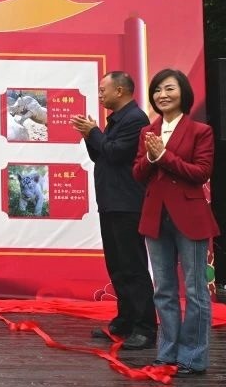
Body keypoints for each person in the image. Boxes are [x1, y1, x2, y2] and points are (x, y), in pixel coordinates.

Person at [133, 68, 218, 376]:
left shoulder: (200, 131)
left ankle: (193, 358)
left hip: (190, 217)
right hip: (155, 216)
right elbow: (137, 173)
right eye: (157, 90)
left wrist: (163, 156)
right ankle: (167, 353)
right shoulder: (148, 131)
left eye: (169, 88)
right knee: (164, 289)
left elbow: (201, 173)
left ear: (183, 92)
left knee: (195, 290)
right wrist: (150, 157)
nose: (162, 95)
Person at [71, 71, 156, 350]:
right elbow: (100, 154)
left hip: (127, 203)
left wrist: (93, 132)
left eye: (102, 89)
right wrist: (89, 135)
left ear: (120, 91)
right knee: (117, 267)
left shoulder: (135, 119)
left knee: (132, 267)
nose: (99, 94)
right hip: (111, 202)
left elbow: (116, 153)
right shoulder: (118, 119)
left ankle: (145, 328)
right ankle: (125, 321)